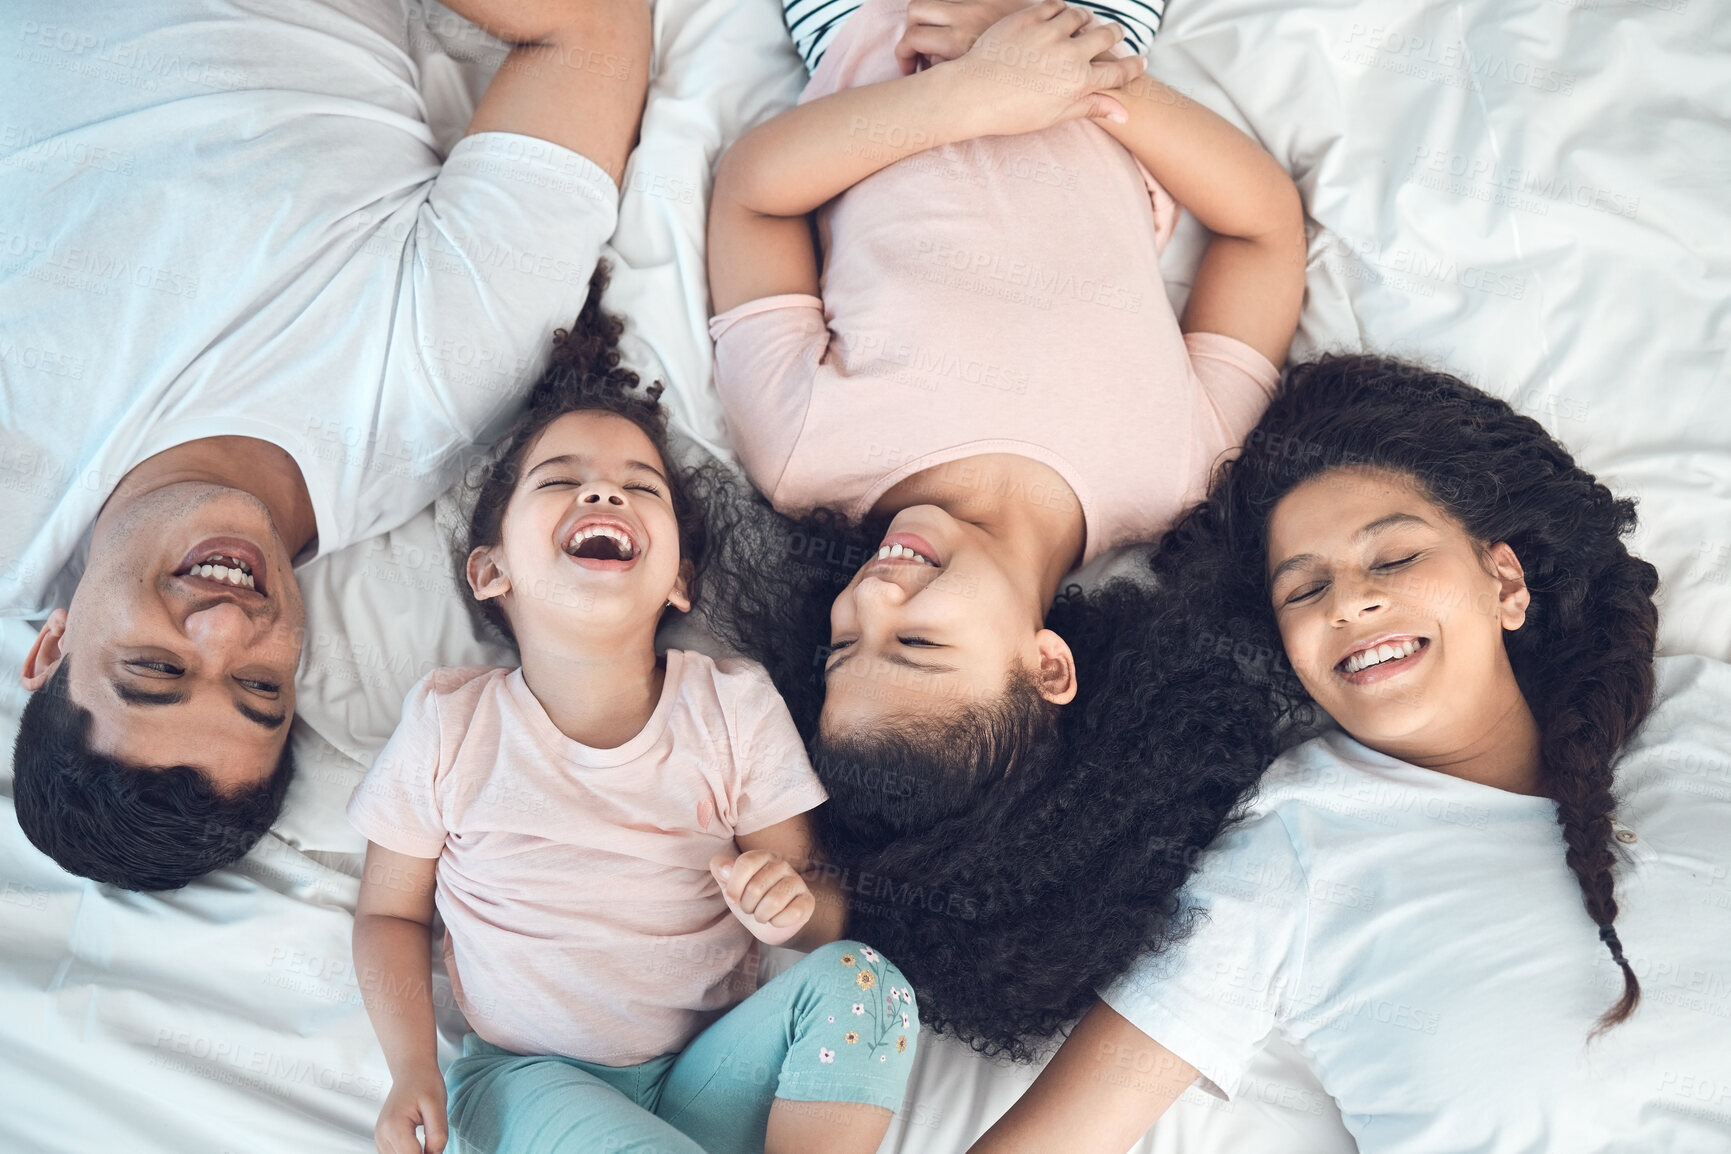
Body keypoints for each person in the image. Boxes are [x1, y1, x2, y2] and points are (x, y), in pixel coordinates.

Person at [699, 0, 1305, 1056]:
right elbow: (1263, 227)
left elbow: (752, 196)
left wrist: (964, 95)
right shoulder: (1175, 475)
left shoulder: (810, 456)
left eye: (844, 645)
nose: (875, 596)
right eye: (921, 643)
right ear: (1050, 663)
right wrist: (1071, 74)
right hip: (1084, 30)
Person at [967, 356, 1731, 1153]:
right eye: (1302, 590)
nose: (1348, 602)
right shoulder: (1290, 846)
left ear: (1503, 581)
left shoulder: (1693, 715)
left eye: (1393, 558)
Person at [2, 0, 649, 889]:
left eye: (157, 667)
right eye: (258, 690)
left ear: (51, 649)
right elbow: (590, 31)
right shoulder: (433, 395)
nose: (228, 628)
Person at [347, 303, 917, 1154]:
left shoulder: (731, 706)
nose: (603, 490)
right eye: (558, 479)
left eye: (640, 486)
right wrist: (410, 1069)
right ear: (490, 570)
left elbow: (815, 902)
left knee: (869, 986)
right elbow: (389, 915)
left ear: (678, 582)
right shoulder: (450, 725)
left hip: (707, 1074)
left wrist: (790, 908)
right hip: (530, 1083)